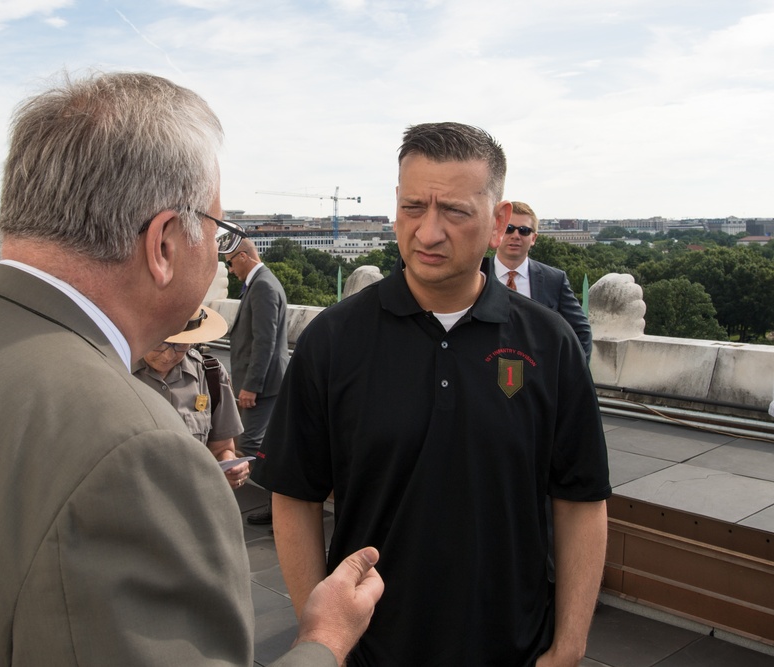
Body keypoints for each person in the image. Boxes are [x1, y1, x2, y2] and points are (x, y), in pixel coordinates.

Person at [0, 71, 383, 667]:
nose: (219, 251)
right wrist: (323, 641)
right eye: (216, 228)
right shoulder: (132, 448)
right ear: (165, 244)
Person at [253, 122, 611, 666]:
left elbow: (581, 500)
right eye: (414, 207)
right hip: (372, 649)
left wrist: (569, 645)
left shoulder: (549, 342)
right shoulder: (334, 339)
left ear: (498, 220)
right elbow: (294, 493)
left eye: (455, 212)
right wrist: (324, 639)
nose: (428, 232)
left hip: (514, 645)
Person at [133, 305, 252, 490]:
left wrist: (231, 466)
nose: (168, 355)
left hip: (193, 501)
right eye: (159, 343)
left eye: (180, 345)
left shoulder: (210, 374)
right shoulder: (114, 370)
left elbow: (223, 448)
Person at [224, 237, 289, 525]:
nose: (228, 270)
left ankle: (285, 504)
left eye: (229, 262)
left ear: (243, 256)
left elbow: (265, 342)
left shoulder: (262, 284)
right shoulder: (260, 282)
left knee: (250, 446)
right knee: (262, 444)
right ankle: (280, 507)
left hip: (262, 386)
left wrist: (251, 386)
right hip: (266, 383)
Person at [495, 200, 593, 360]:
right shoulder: (474, 275)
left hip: (538, 377)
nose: (515, 236)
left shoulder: (554, 280)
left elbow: (581, 331)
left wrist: (572, 377)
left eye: (524, 231)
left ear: (533, 238)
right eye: (509, 229)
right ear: (496, 232)